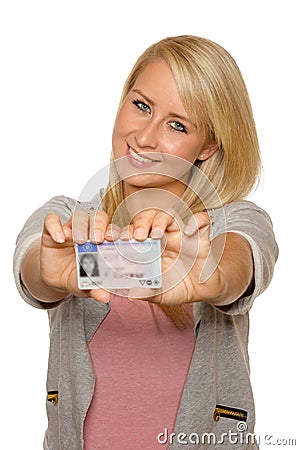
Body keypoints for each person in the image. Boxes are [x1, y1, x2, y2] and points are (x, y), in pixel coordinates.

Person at [14, 35, 278, 449]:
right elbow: (32, 269)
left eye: (178, 125)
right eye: (141, 106)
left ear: (208, 144)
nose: (146, 136)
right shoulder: (70, 218)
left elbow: (239, 262)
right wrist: (50, 274)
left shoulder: (235, 222)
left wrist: (210, 277)